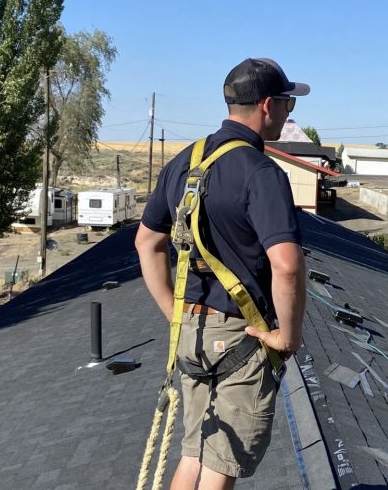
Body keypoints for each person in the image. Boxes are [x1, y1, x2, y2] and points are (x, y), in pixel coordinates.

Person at [135, 58, 309, 489]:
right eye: (288, 103)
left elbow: (146, 242)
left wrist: (173, 312)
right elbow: (287, 265)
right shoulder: (261, 172)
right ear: (268, 105)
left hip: (190, 334)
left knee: (194, 452)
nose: (289, 112)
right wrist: (287, 336)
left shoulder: (183, 163)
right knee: (221, 463)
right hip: (240, 337)